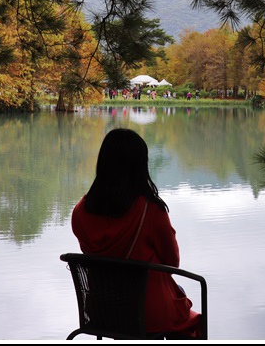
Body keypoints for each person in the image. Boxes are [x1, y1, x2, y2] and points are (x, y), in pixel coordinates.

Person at [71, 128, 201, 337]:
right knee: (187, 312)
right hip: (148, 314)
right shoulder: (150, 210)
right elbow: (172, 263)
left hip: (102, 312)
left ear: (102, 163)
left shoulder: (80, 212)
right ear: (140, 166)